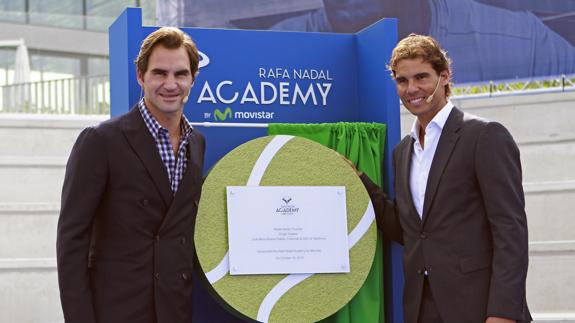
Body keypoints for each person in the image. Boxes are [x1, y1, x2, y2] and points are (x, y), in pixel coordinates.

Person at [359, 34, 531, 323]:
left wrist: (502, 312)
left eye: (421, 77)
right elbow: (409, 231)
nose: (412, 89)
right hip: (421, 308)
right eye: (402, 80)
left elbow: (510, 230)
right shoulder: (402, 151)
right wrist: (360, 182)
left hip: (478, 308)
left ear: (445, 76)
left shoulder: (484, 136)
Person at [56, 27, 205, 323]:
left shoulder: (197, 143)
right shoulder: (101, 141)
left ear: (192, 79)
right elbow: (72, 241)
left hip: (175, 311)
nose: (171, 84)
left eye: (180, 74)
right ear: (141, 76)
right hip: (117, 311)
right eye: (159, 73)